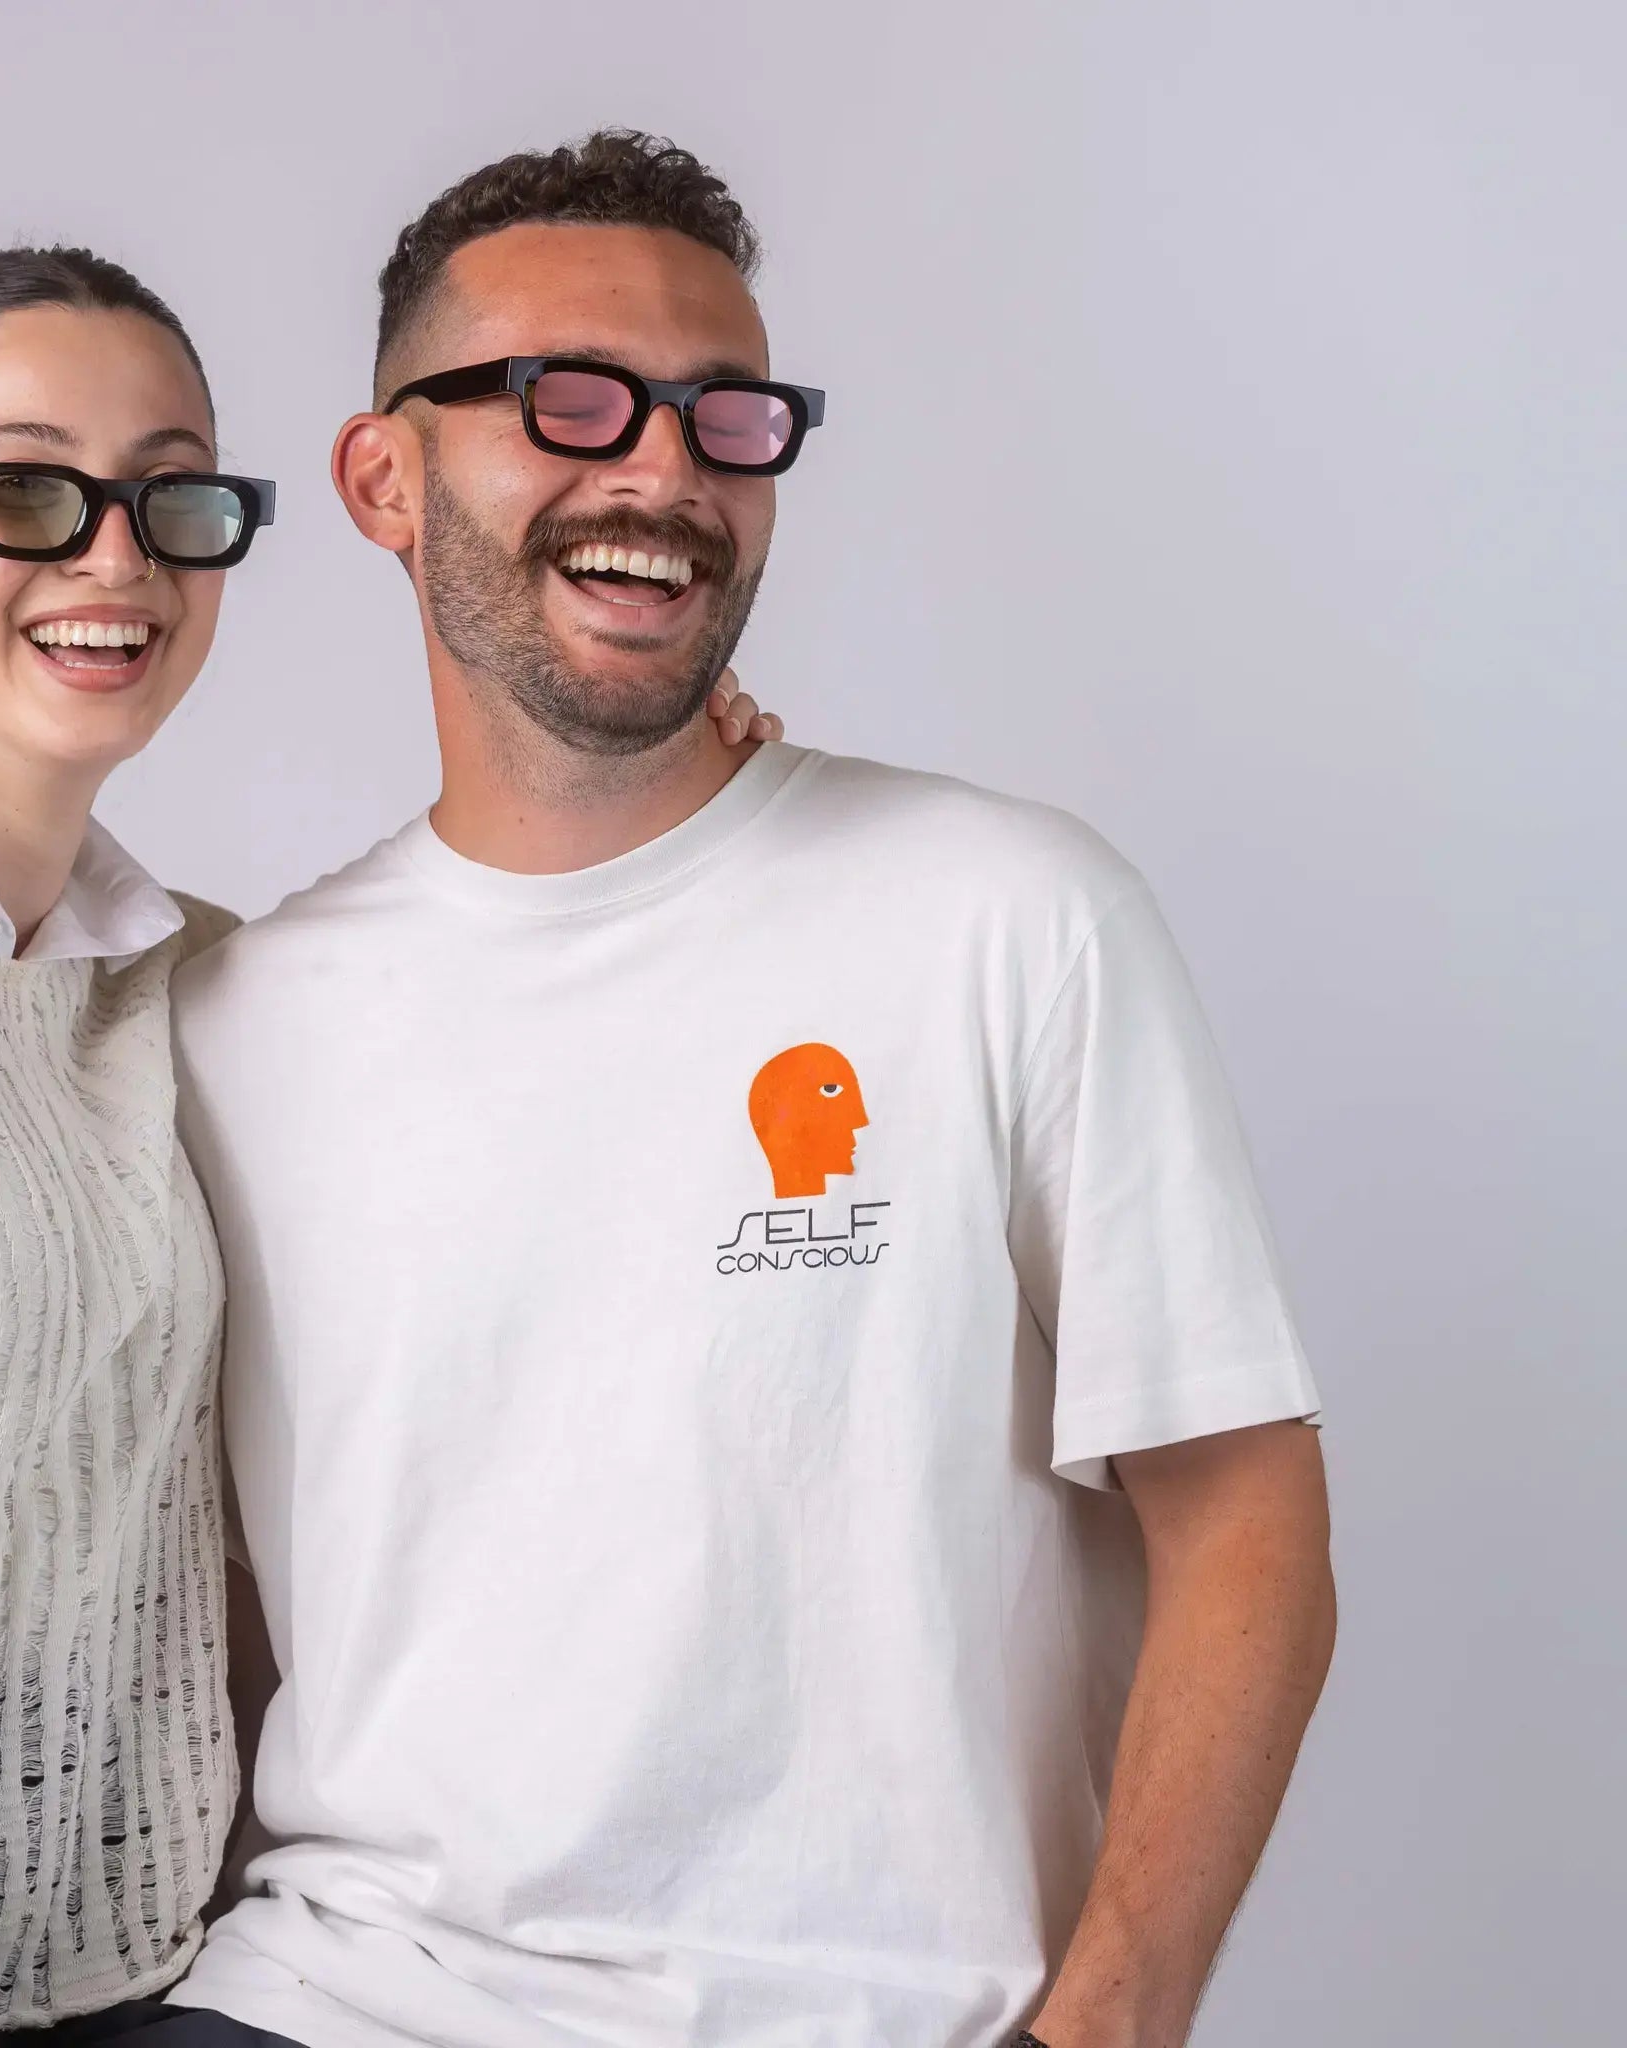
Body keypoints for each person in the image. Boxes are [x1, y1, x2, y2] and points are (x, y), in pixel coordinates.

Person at [170, 131, 1337, 2048]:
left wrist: (1110, 2019)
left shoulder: (1007, 919)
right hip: (327, 1996)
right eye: (571, 401)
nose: (660, 471)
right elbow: (214, 1619)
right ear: (385, 477)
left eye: (727, 418)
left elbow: (1250, 1525)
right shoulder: (228, 1023)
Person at [0, 235, 788, 2048]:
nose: (116, 560)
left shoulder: (168, 982)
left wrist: (701, 806)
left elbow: (508, 1044)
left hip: (124, 1984)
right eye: (26, 492)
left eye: (171, 500)